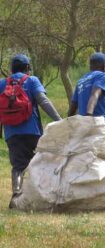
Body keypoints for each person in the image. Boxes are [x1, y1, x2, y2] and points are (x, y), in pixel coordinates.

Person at [0, 54, 61, 208]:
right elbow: (43, 101)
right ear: (27, 68)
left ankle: (16, 197)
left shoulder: (2, 83)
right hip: (32, 132)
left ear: (11, 68)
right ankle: (44, 198)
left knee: (18, 166)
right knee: (40, 163)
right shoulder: (31, 80)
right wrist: (59, 120)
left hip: (12, 133)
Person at [68, 52, 105, 136]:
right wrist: (89, 115)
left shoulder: (81, 80)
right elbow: (95, 94)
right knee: (101, 149)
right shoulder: (102, 76)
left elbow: (73, 104)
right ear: (104, 66)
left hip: (83, 123)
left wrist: (68, 122)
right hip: (98, 122)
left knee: (86, 148)